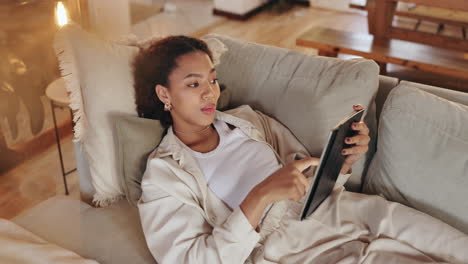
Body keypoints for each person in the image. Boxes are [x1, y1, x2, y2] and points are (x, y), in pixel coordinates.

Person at [134, 36, 468, 264]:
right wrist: (259, 196)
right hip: (292, 249)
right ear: (164, 95)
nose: (210, 93)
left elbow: (305, 174)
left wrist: (343, 162)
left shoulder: (248, 122)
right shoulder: (165, 174)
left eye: (212, 79)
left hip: (343, 210)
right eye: (194, 84)